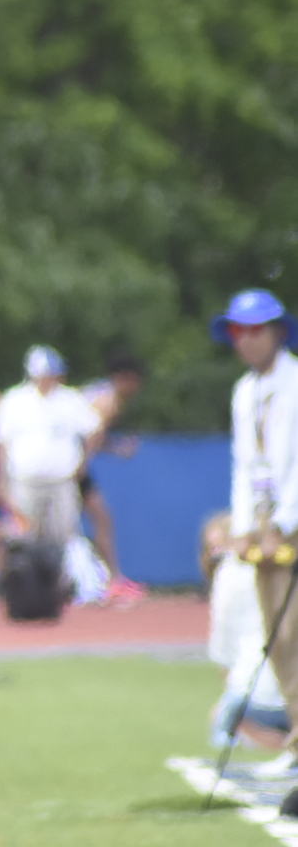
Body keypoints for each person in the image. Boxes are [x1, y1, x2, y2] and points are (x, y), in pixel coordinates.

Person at [211, 289, 298, 811]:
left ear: (279, 332)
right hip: (266, 537)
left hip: (290, 528)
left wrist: (283, 524)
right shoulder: (245, 392)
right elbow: (246, 466)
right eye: (238, 331)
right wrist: (245, 527)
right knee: (280, 642)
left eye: (256, 330)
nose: (246, 340)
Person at [0, 346, 102, 548]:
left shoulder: (70, 400)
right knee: (23, 536)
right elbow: (0, 442)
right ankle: (26, 578)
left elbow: (94, 429)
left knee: (64, 536)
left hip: (61, 482)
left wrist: (83, 463)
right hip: (24, 481)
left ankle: (60, 579)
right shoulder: (14, 400)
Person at [202, 513, 290, 756]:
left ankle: (268, 739)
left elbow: (223, 651)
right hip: (285, 697)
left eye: (220, 546)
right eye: (210, 548)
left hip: (258, 700)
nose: (214, 555)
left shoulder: (230, 574)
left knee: (221, 714)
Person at [77, 355, 148, 602]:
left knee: (96, 521)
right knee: (101, 520)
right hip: (70, 467)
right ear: (125, 379)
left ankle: (107, 578)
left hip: (65, 463)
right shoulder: (109, 402)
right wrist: (80, 468)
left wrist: (116, 447)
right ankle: (108, 580)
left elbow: (92, 436)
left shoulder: (96, 391)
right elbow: (91, 438)